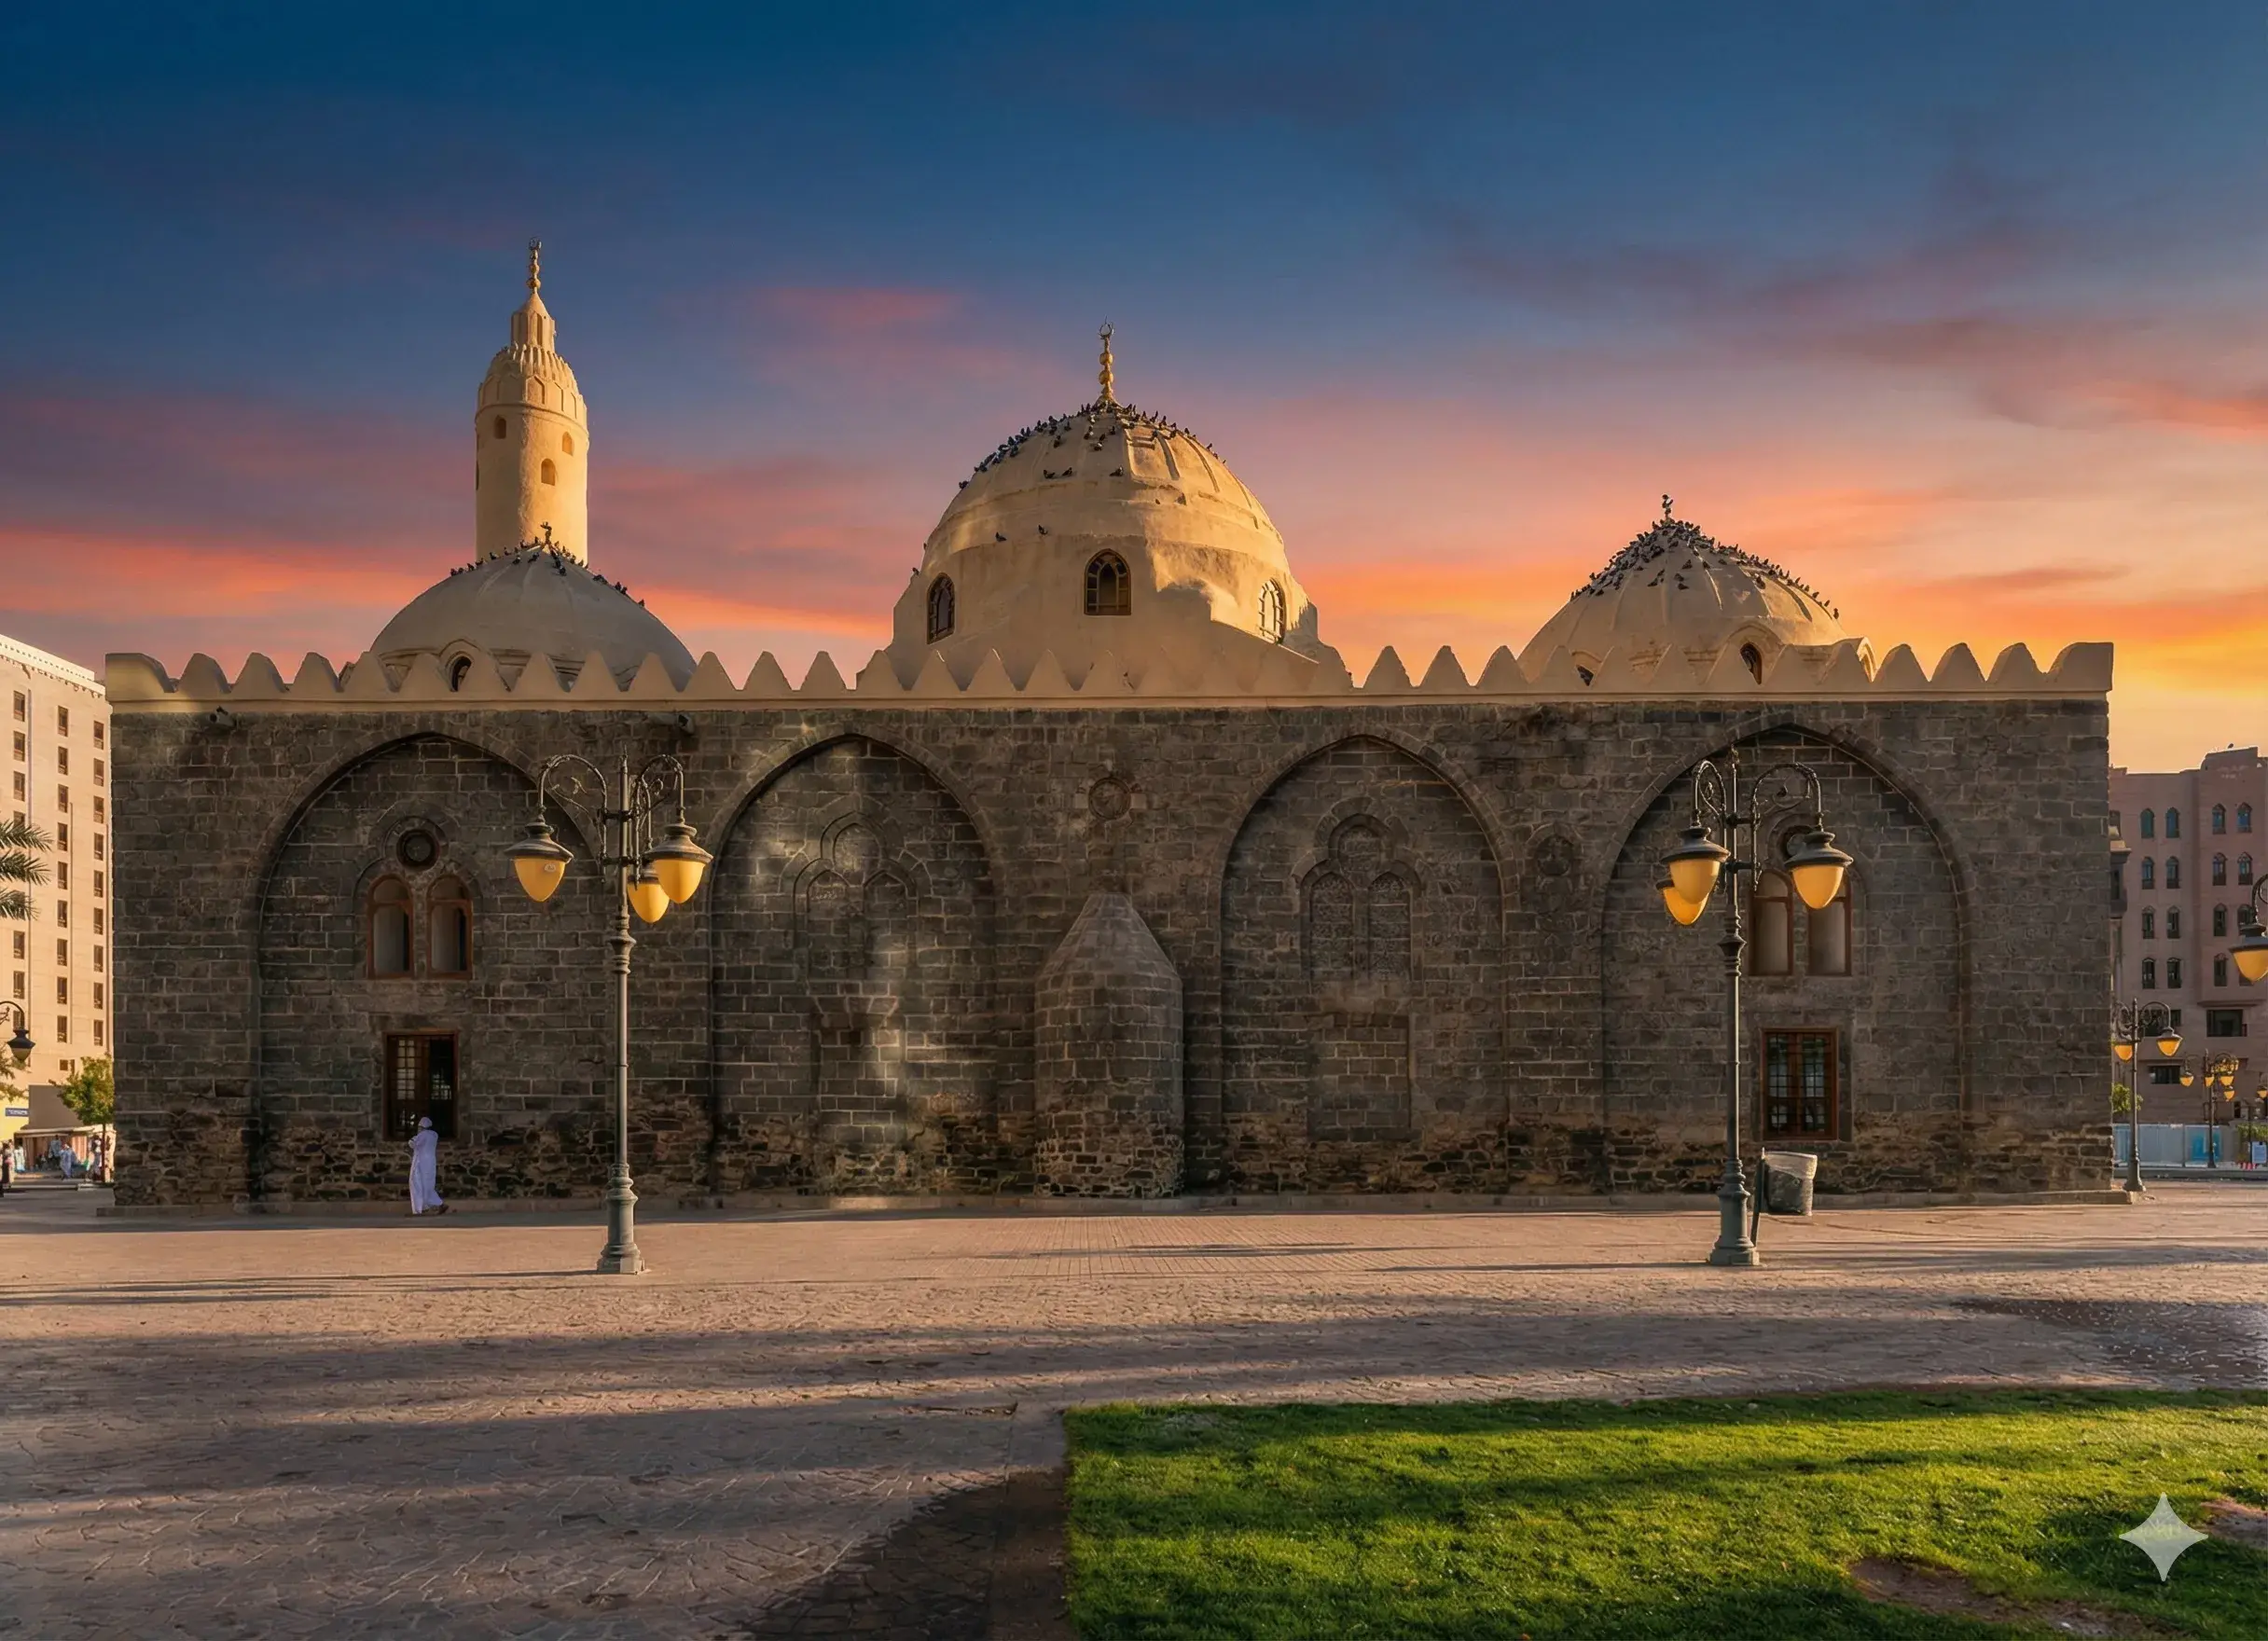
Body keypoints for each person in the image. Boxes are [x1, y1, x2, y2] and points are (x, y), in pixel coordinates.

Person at [408, 1116, 448, 1216]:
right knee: (428, 1186)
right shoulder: (434, 1135)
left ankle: (418, 1210)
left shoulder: (423, 1135)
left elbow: (412, 1143)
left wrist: (413, 1139)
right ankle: (437, 1204)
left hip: (420, 1163)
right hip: (430, 1163)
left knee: (416, 1184)